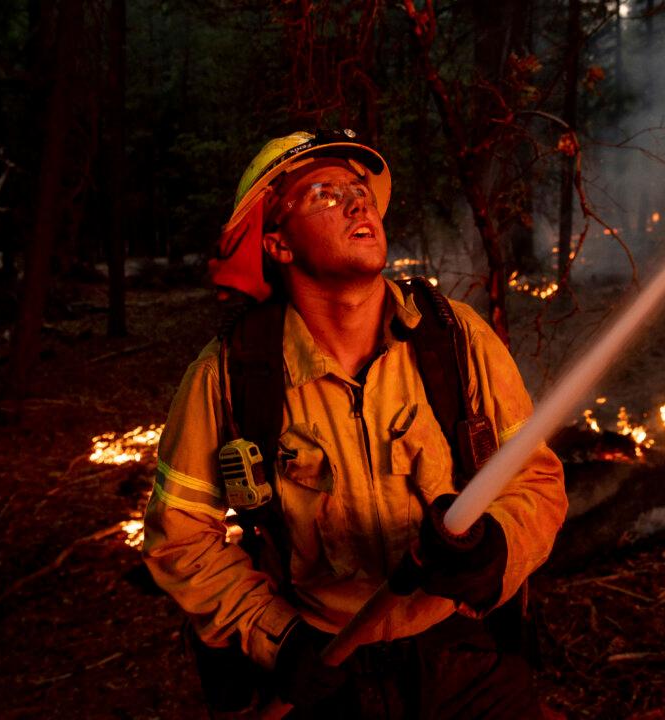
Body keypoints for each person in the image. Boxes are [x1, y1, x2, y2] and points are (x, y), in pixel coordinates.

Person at [142, 129, 567, 718]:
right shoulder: (229, 376)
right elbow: (180, 540)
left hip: (463, 659)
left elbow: (535, 479)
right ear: (278, 244)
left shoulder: (456, 338)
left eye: (359, 189)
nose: (357, 202)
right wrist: (277, 638)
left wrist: (494, 552)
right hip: (327, 671)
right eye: (324, 193)